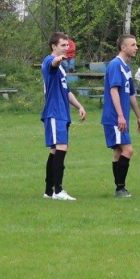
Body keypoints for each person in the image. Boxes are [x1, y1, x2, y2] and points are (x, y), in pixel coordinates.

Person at [41, 32, 87, 201]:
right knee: (61, 148)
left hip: (62, 112)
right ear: (54, 46)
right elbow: (51, 64)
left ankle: (48, 191)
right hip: (54, 112)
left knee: (55, 151)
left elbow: (66, 92)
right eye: (63, 45)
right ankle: (58, 190)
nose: (67, 48)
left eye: (67, 45)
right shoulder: (49, 61)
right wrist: (56, 60)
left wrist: (79, 106)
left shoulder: (61, 68)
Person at [102, 34, 140, 197]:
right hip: (114, 117)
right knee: (128, 150)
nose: (136, 47)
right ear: (123, 48)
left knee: (119, 153)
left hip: (121, 117)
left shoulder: (126, 68)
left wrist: (139, 117)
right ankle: (120, 188)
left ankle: (119, 188)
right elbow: (113, 91)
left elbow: (130, 95)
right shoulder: (115, 65)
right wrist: (120, 116)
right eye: (133, 45)